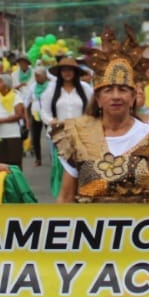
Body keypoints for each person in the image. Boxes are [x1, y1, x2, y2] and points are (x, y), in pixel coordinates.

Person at [56, 28, 149, 204]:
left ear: (132, 98)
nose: (116, 96)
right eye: (108, 90)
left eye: (123, 90)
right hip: (91, 222)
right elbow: (66, 197)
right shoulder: (77, 135)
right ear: (98, 99)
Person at [39, 55, 94, 197]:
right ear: (60, 73)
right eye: (64, 70)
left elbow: (93, 109)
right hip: (60, 137)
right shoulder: (51, 90)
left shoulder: (85, 88)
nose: (67, 73)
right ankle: (63, 197)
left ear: (75, 72)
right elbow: (44, 111)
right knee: (62, 169)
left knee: (82, 167)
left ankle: (81, 196)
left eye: (70, 70)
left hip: (82, 136)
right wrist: (52, 121)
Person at [0, 71, 28, 166]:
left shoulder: (16, 96)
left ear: (6, 85)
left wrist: (1, 121)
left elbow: (19, 115)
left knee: (14, 165)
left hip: (12, 135)